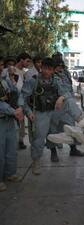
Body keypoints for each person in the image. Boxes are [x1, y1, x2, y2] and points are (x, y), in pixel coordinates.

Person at [20, 58, 71, 175]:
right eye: (45, 69)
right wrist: (28, 112)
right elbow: (22, 98)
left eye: (50, 69)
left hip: (54, 111)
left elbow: (67, 92)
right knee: (39, 139)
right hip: (40, 113)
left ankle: (80, 120)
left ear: (53, 70)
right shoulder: (33, 81)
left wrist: (61, 98)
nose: (47, 72)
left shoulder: (56, 81)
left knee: (54, 133)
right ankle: (36, 161)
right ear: (41, 68)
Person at [49, 54, 84, 162]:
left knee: (71, 127)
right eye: (58, 65)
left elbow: (69, 88)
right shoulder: (49, 76)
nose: (61, 67)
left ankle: (73, 149)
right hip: (54, 107)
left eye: (61, 65)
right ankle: (53, 152)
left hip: (67, 105)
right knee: (53, 130)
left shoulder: (65, 73)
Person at [0, 56, 24, 191]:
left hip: (9, 119)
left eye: (1, 65)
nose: (0, 68)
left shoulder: (4, 81)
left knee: (11, 149)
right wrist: (13, 111)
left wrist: (19, 107)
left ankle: (10, 174)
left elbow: (16, 93)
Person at [15, 52, 32, 150]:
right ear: (21, 59)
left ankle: (21, 140)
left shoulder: (25, 73)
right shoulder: (13, 71)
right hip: (15, 101)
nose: (28, 63)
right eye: (27, 61)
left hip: (24, 100)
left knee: (22, 121)